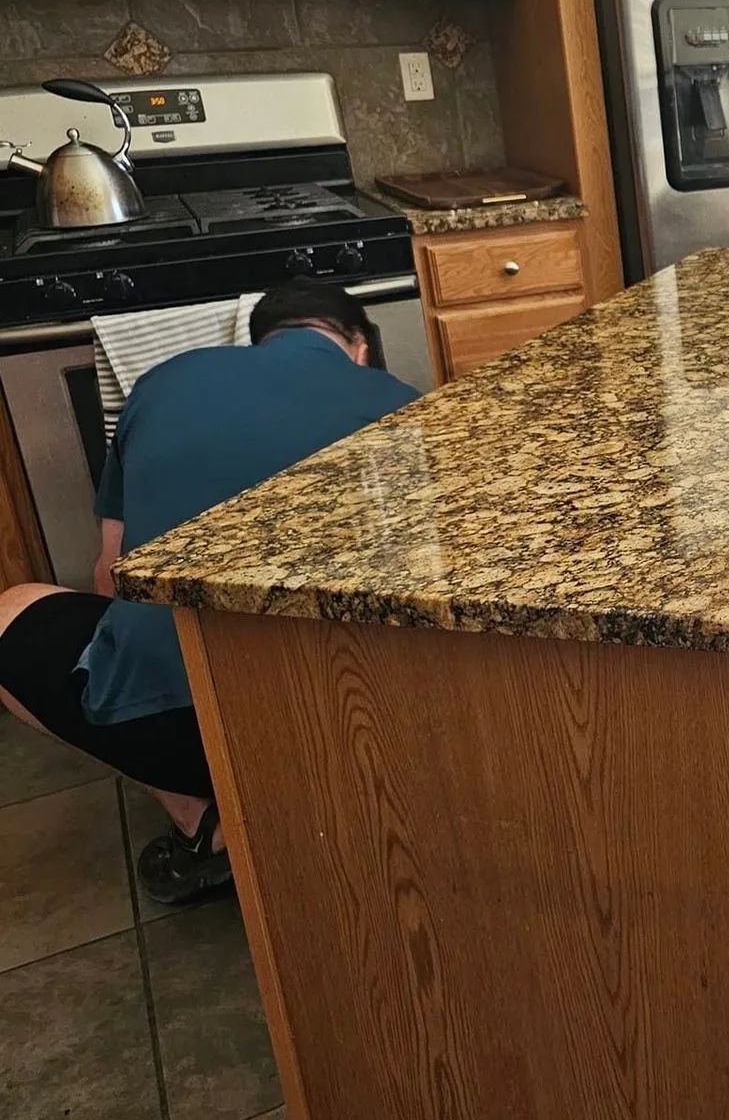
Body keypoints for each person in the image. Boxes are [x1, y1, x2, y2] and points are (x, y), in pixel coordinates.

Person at [0, 281, 418, 904]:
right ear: (356, 346)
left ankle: (205, 823)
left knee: (13, 608)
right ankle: (324, 803)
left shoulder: (166, 380)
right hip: (364, 723)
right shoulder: (404, 402)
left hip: (177, 730)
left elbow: (110, 574)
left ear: (259, 341)